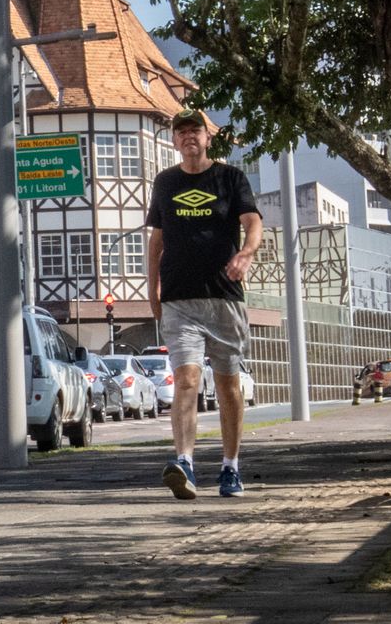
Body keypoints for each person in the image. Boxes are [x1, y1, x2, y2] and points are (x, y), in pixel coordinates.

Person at [145, 108, 262, 500]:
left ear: (207, 137)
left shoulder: (230, 178)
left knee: (229, 386)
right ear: (174, 141)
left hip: (224, 299)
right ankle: (185, 463)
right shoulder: (165, 182)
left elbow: (253, 222)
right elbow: (156, 242)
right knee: (187, 380)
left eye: (195, 130)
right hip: (179, 299)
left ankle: (230, 468)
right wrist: (152, 290)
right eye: (181, 132)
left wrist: (245, 254)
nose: (188, 137)